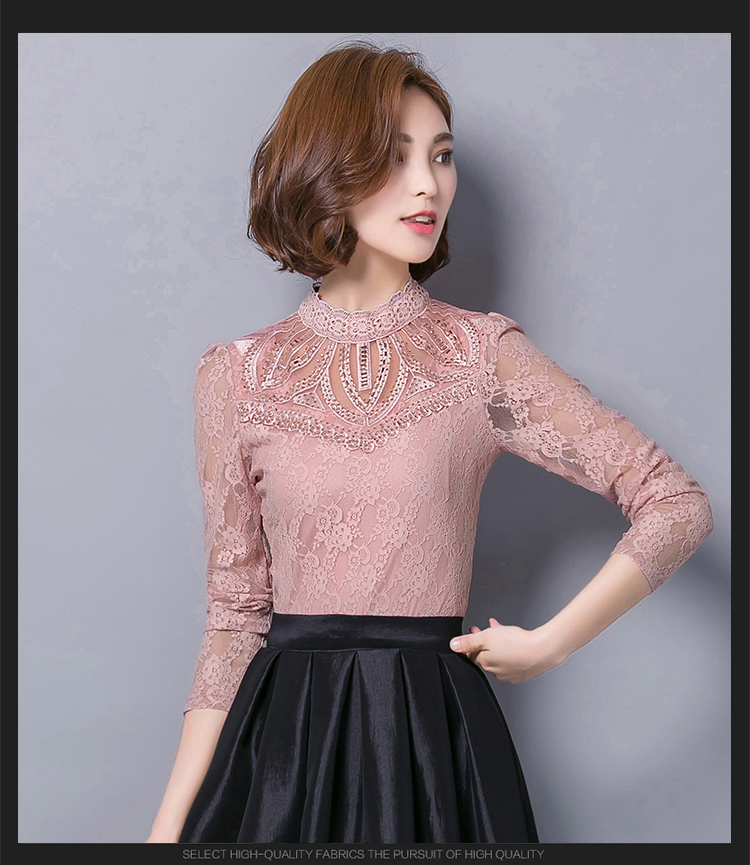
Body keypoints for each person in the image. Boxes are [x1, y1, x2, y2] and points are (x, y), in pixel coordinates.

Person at [146, 41, 714, 844]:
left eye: (441, 156)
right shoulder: (237, 374)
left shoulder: (481, 355)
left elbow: (676, 503)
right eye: (396, 155)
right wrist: (169, 823)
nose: (428, 184)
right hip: (282, 750)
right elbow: (236, 615)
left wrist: (551, 644)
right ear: (328, 164)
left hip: (433, 744)